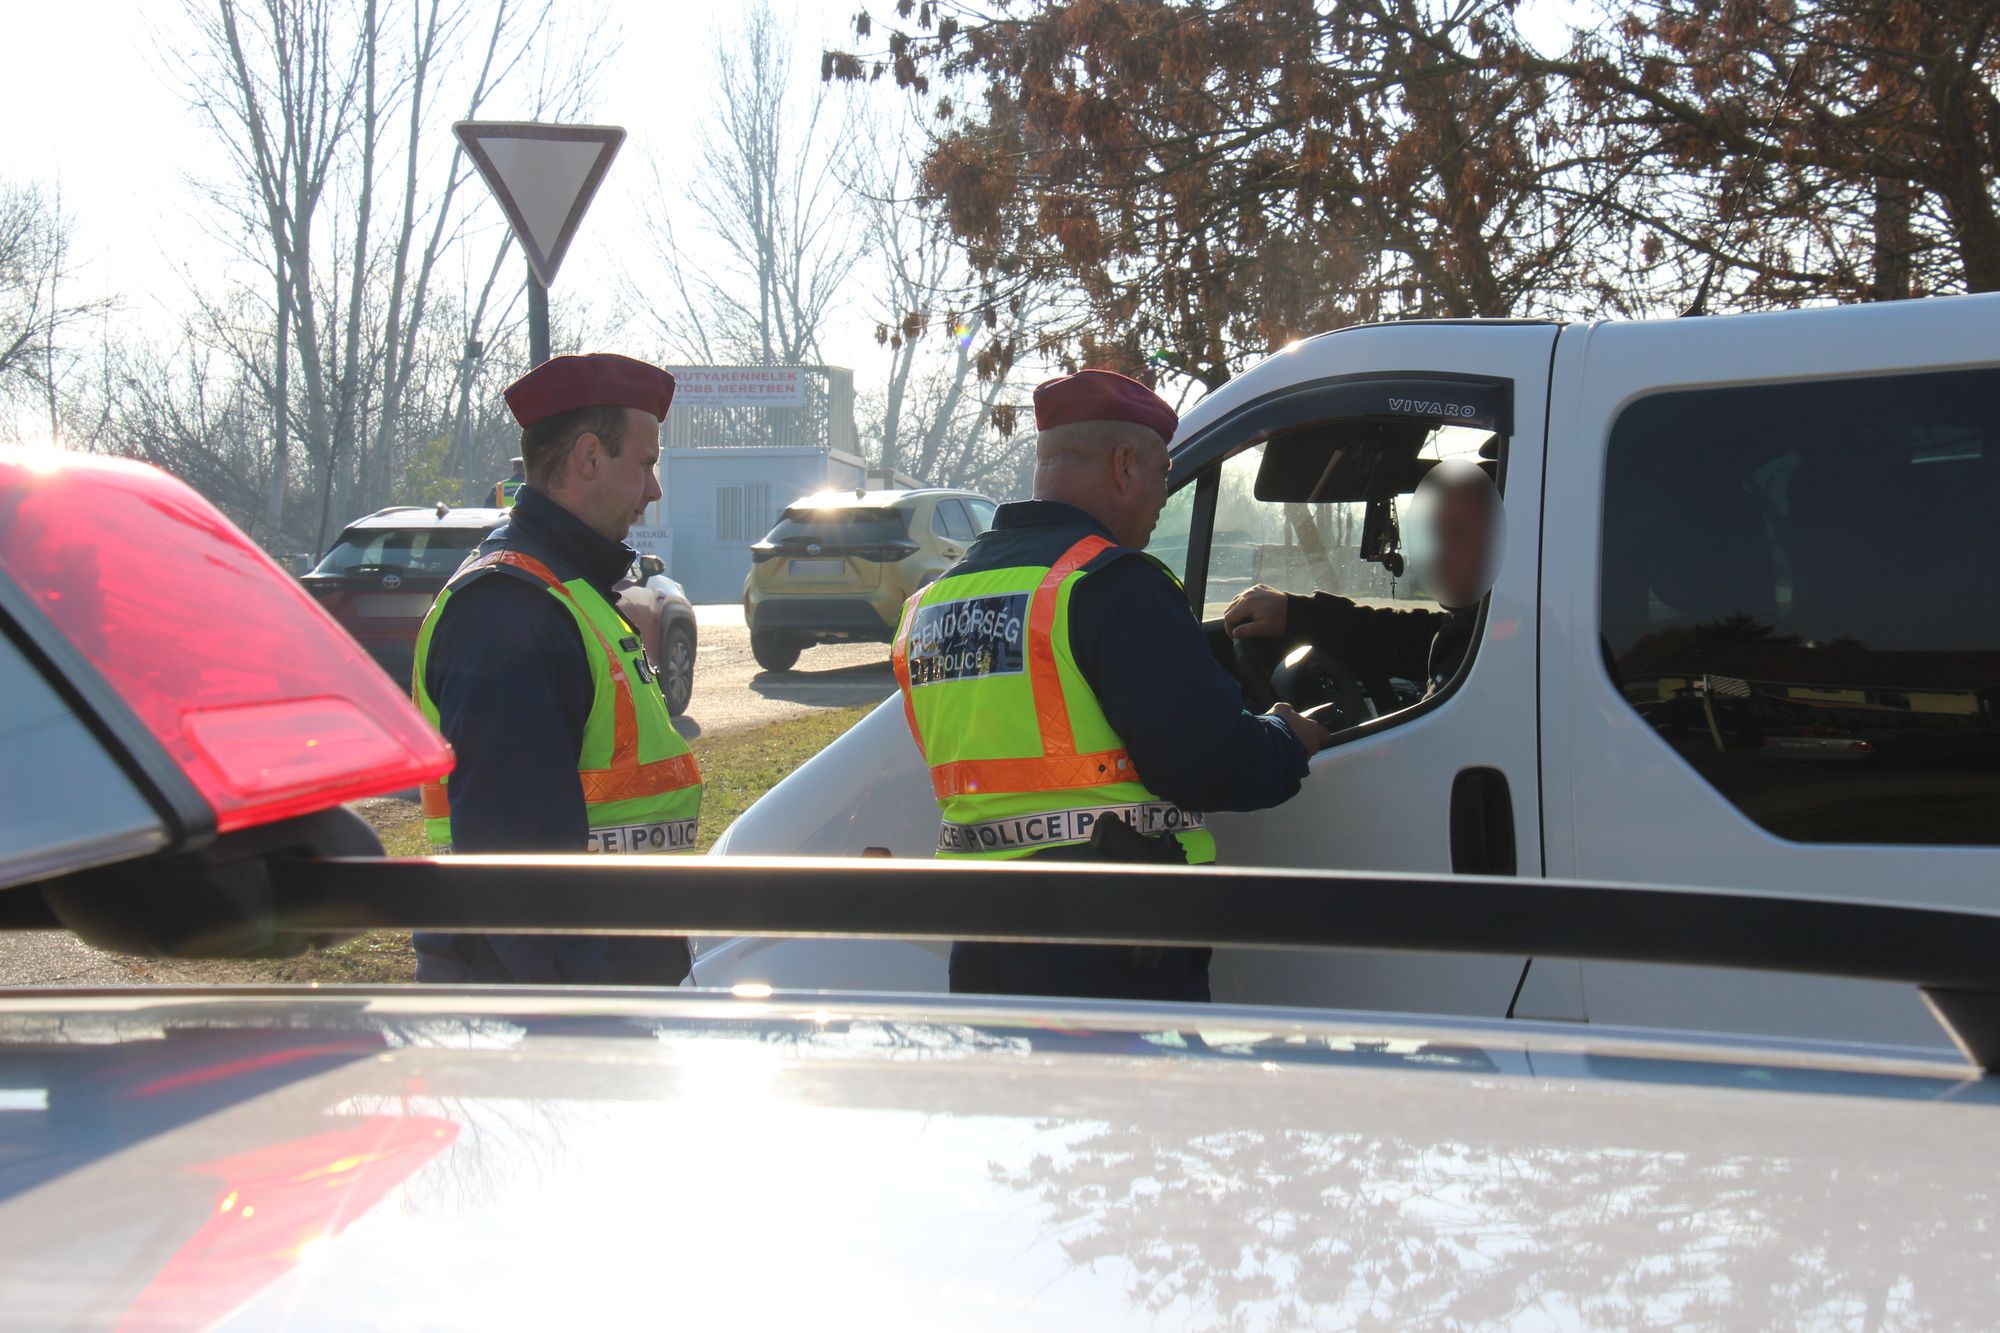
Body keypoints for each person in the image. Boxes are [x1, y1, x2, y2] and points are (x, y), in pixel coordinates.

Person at [890, 368, 1331, 1003]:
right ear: (1124, 467)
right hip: (1110, 947)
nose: (1161, 496)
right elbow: (1207, 761)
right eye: (1160, 475)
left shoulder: (930, 604)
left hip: (983, 946)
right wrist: (1285, 737)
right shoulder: (1110, 584)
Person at [411, 353, 702, 985]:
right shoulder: (510, 610)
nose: (653, 491)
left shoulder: (565, 592)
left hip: (597, 988)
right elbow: (518, 875)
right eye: (646, 465)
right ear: (589, 457)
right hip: (557, 1013)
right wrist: (575, 1031)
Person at [1223, 460, 1501, 699]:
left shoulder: (1497, 654)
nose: (1436, 553)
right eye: (1433, 533)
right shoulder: (1476, 631)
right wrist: (1294, 611)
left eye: (1458, 533)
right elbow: (1399, 637)